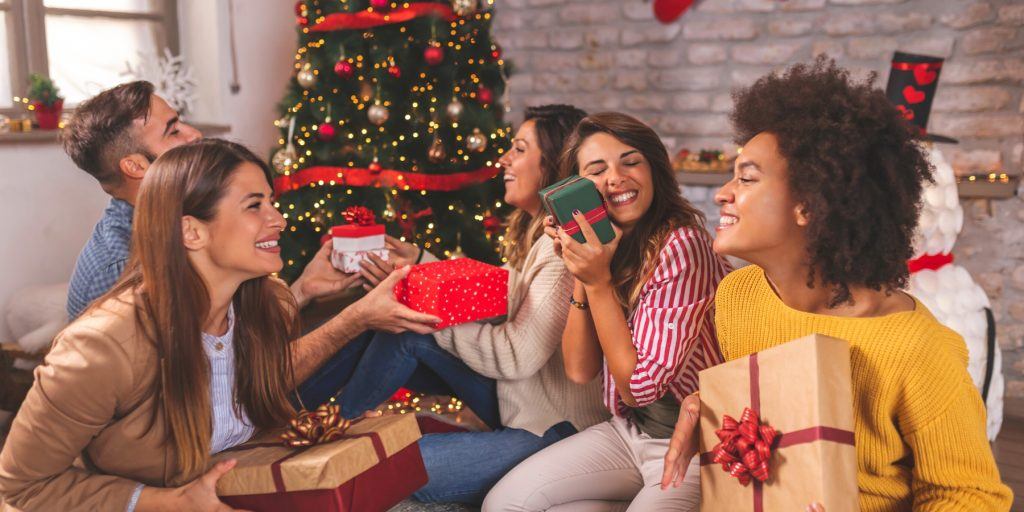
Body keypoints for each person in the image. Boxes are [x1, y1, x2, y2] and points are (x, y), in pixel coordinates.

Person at [0, 139, 440, 512]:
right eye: (254, 205)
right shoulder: (100, 347)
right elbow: (20, 486)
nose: (279, 219)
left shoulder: (260, 299)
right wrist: (167, 502)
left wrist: (305, 293)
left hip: (254, 476)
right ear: (191, 232)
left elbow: (269, 363)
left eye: (272, 202)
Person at [660, 58, 1013, 511]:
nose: (722, 193)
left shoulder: (919, 351)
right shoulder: (739, 296)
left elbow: (971, 497)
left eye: (746, 177)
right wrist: (705, 405)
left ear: (807, 205)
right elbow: (774, 412)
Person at [328, 105, 609, 505]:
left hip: (554, 427)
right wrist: (420, 262)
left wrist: (423, 304)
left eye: (518, 149)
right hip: (523, 401)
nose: (504, 160)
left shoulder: (561, 244)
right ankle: (325, 424)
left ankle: (326, 425)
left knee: (388, 470)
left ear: (552, 163)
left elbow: (516, 357)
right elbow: (504, 291)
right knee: (403, 332)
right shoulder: (537, 233)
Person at [484, 112, 731, 512]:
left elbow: (640, 387)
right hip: (630, 433)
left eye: (631, 162)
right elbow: (580, 370)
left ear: (655, 171)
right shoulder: (606, 250)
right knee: (506, 503)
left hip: (696, 448)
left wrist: (598, 282)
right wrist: (581, 267)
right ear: (576, 188)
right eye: (597, 171)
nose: (615, 177)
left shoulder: (683, 247)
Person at [62, 81, 347, 320]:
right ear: (136, 167)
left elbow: (230, 347)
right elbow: (210, 376)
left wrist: (303, 290)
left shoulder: (183, 213)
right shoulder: (121, 271)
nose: (195, 134)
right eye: (173, 131)